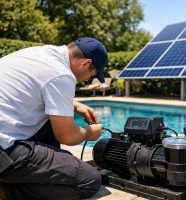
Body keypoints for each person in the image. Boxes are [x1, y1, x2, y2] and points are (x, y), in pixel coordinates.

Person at [0, 37, 108, 199]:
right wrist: (89, 132)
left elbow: (34, 87)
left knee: (52, 122)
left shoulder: (38, 53)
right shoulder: (62, 75)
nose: (88, 78)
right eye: (92, 73)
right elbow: (67, 136)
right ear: (85, 63)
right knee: (90, 180)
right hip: (5, 153)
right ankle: (8, 191)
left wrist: (74, 105)